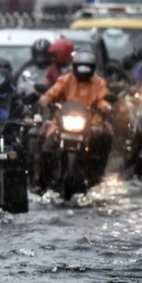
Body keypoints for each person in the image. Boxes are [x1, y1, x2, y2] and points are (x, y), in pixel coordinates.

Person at [39, 50, 113, 187]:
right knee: (46, 146)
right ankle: (42, 182)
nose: (83, 71)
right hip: (63, 121)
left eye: (87, 67)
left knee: (106, 135)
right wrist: (45, 99)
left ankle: (97, 174)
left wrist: (105, 107)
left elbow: (103, 99)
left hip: (90, 122)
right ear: (74, 67)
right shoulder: (65, 80)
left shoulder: (99, 83)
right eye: (80, 67)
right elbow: (52, 93)